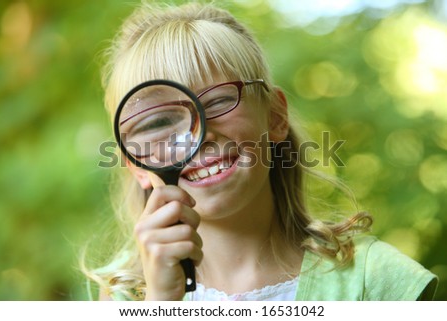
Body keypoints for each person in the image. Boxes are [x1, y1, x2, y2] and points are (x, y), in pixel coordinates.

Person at [82, 1, 438, 301]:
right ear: (136, 163)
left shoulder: (378, 283)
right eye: (159, 123)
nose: (199, 135)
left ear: (275, 116)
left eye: (220, 100)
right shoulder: (125, 298)